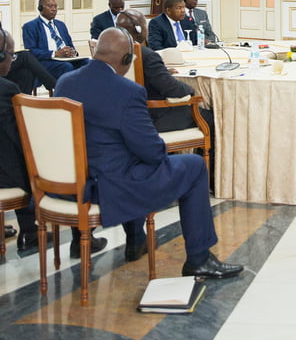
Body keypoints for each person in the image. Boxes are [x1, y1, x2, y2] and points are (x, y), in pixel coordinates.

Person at [54, 28, 243, 279]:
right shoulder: (126, 91)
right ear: (125, 60)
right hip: (110, 187)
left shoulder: (65, 82)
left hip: (69, 185)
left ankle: (126, 238)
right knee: (194, 166)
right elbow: (152, 153)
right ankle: (199, 258)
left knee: (129, 160)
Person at [0, 28, 105, 258]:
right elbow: (22, 137)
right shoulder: (3, 89)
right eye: (11, 55)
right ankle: (82, 237)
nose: (12, 61)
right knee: (64, 165)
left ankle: (29, 230)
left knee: (16, 155)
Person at [117, 9, 214, 135]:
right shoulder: (147, 55)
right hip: (155, 116)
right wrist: (191, 89)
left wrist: (162, 71)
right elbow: (173, 90)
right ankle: (201, 155)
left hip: (126, 115)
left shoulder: (114, 51)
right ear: (139, 30)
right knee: (210, 118)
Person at [21, 0, 82, 82]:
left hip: (67, 59)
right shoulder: (30, 26)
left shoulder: (61, 25)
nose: (54, 9)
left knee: (87, 63)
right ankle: (66, 94)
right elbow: (31, 51)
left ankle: (86, 94)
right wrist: (55, 53)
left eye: (55, 6)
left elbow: (70, 44)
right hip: (47, 61)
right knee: (67, 67)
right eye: (50, 6)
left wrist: (72, 52)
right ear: (40, 8)